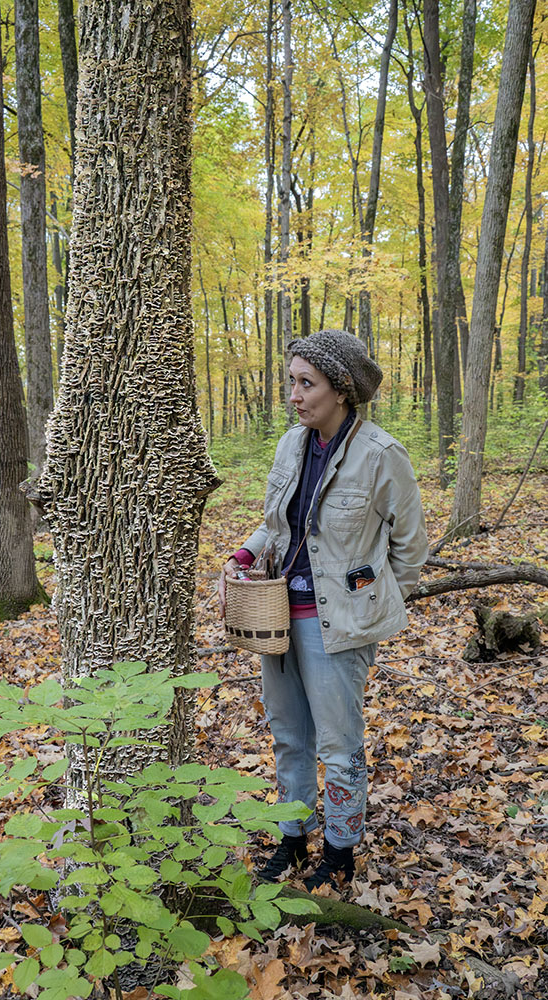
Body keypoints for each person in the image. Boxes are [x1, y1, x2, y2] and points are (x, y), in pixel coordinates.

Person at [218, 330, 428, 890]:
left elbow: (410, 548)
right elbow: (275, 522)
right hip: (277, 615)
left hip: (338, 625)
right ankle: (293, 836)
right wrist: (245, 553)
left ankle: (339, 850)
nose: (294, 394)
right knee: (288, 733)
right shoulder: (291, 445)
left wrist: (376, 598)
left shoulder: (381, 455)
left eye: (305, 383)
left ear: (340, 389)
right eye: (291, 381)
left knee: (338, 742)